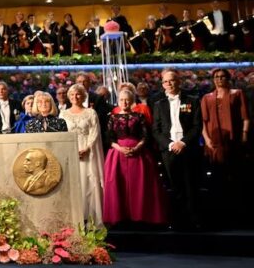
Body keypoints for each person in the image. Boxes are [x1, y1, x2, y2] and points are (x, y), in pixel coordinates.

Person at [103, 89, 168, 226]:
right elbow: (109, 138)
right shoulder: (112, 117)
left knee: (140, 185)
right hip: (117, 155)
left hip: (139, 154)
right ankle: (120, 216)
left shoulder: (139, 116)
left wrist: (137, 148)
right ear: (118, 101)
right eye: (121, 100)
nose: (124, 102)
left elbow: (146, 136)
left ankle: (141, 216)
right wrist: (120, 148)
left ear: (132, 101)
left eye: (127, 99)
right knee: (117, 185)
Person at [152, 70, 203, 230]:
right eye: (166, 81)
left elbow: (197, 126)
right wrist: (169, 144)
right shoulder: (158, 104)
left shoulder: (193, 100)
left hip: (187, 147)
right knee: (174, 186)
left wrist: (183, 143)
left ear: (178, 81)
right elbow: (156, 130)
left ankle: (194, 220)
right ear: (162, 84)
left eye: (172, 80)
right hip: (168, 149)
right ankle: (176, 220)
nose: (169, 84)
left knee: (191, 185)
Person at [201, 68, 249, 226]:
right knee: (217, 178)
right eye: (216, 77)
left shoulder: (237, 93)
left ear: (228, 78)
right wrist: (206, 140)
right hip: (214, 143)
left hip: (234, 141)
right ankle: (220, 215)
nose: (219, 79)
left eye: (222, 76)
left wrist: (244, 135)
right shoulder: (207, 98)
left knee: (236, 177)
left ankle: (238, 215)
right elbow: (204, 123)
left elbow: (245, 118)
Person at [60, 84, 104, 224]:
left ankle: (91, 217)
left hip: (87, 151)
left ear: (83, 96)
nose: (75, 97)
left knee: (88, 181)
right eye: (72, 95)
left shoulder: (91, 112)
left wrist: (87, 148)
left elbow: (95, 132)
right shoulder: (63, 114)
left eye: (78, 94)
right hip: (70, 151)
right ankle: (74, 218)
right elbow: (62, 134)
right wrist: (71, 150)